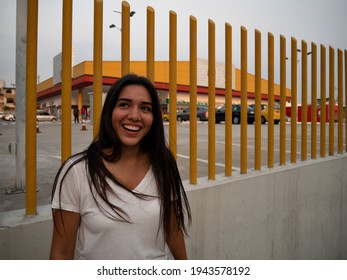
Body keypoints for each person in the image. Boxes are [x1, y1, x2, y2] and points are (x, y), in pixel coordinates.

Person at [50, 74, 191, 260]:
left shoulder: (163, 164)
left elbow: (172, 230)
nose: (134, 116)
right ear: (110, 111)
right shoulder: (77, 172)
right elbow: (61, 252)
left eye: (145, 108)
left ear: (154, 118)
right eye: (124, 104)